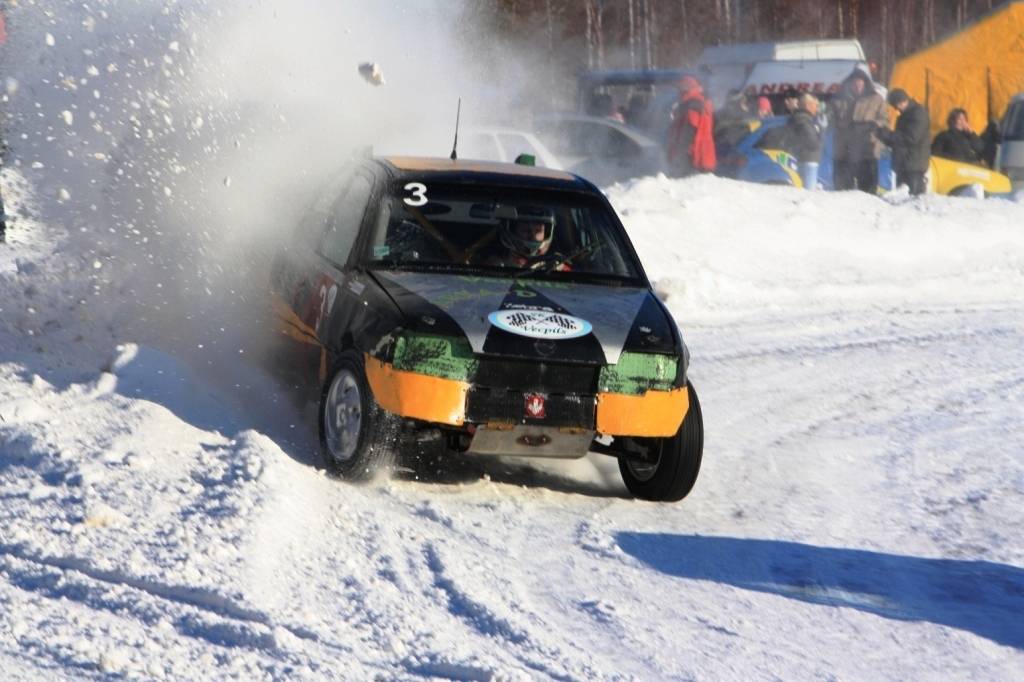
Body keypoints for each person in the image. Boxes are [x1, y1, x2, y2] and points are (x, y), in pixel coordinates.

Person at [831, 69, 888, 193]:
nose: (857, 86)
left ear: (865, 84)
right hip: (844, 150)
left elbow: (885, 120)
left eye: (860, 83)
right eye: (855, 83)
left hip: (867, 149)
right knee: (842, 191)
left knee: (868, 190)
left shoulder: (876, 99)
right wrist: (845, 125)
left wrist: (872, 125)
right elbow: (831, 121)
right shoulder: (839, 99)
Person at [875, 88, 931, 196]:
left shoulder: (918, 113)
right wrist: (882, 135)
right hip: (904, 163)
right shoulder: (905, 115)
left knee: (913, 199)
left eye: (896, 105)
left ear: (902, 101)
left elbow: (910, 138)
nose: (896, 109)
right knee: (902, 198)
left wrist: (887, 134)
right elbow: (898, 141)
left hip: (914, 164)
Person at [665, 75, 716, 176]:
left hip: (693, 156)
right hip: (703, 155)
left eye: (680, 89)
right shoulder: (700, 103)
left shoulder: (693, 105)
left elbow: (689, 131)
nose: (678, 92)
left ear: (686, 89)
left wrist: (679, 155)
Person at [783, 93, 824, 190]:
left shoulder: (801, 118)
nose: (817, 108)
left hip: (803, 159)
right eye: (815, 105)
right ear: (808, 105)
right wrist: (822, 130)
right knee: (807, 195)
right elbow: (812, 143)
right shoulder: (803, 120)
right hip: (807, 161)